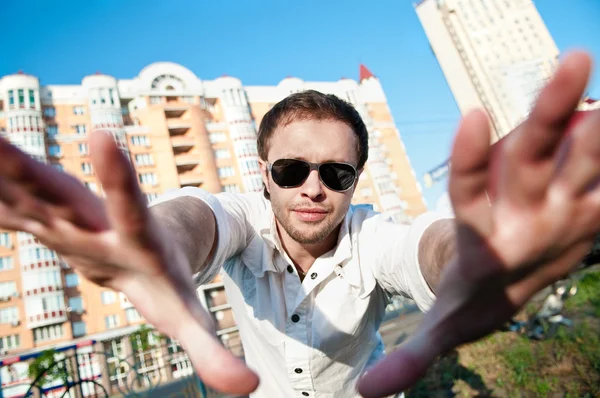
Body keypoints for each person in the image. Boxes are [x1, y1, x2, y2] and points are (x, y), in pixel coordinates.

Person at [0, 51, 598, 398]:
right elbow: (199, 218)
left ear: (356, 182)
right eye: (291, 169)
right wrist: (159, 243)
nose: (313, 188)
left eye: (337, 174)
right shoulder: (245, 218)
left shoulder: (369, 235)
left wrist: (473, 255)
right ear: (265, 174)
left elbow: (424, 247)